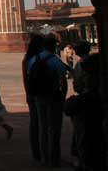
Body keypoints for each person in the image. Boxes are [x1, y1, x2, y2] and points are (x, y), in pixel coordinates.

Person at [27, 33, 70, 167]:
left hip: (39, 97)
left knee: (43, 128)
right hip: (53, 97)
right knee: (54, 129)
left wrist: (31, 95)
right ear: (54, 46)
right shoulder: (55, 60)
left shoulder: (34, 59)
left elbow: (29, 78)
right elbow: (63, 82)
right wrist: (62, 98)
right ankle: (54, 158)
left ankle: (44, 158)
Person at [64, 53, 106, 171]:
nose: (84, 78)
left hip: (90, 148)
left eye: (87, 75)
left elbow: (68, 107)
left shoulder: (88, 98)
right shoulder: (101, 94)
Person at [22, 33, 45, 161]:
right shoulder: (45, 58)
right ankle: (48, 152)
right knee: (47, 124)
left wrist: (28, 94)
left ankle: (36, 152)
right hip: (45, 94)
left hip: (32, 93)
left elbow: (25, 79)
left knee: (35, 123)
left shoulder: (27, 59)